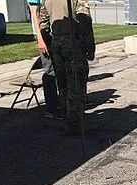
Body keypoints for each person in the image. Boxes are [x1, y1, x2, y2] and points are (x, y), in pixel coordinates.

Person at [39, 0, 95, 135]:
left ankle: (65, 116)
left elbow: (43, 23)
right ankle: (74, 123)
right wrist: (89, 47)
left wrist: (49, 42)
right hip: (73, 42)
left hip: (56, 43)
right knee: (76, 83)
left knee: (62, 84)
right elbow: (84, 20)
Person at [28, 0, 60, 119]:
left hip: (56, 32)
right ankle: (51, 108)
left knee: (60, 70)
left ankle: (61, 103)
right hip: (44, 34)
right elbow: (34, 12)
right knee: (50, 71)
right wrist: (40, 39)